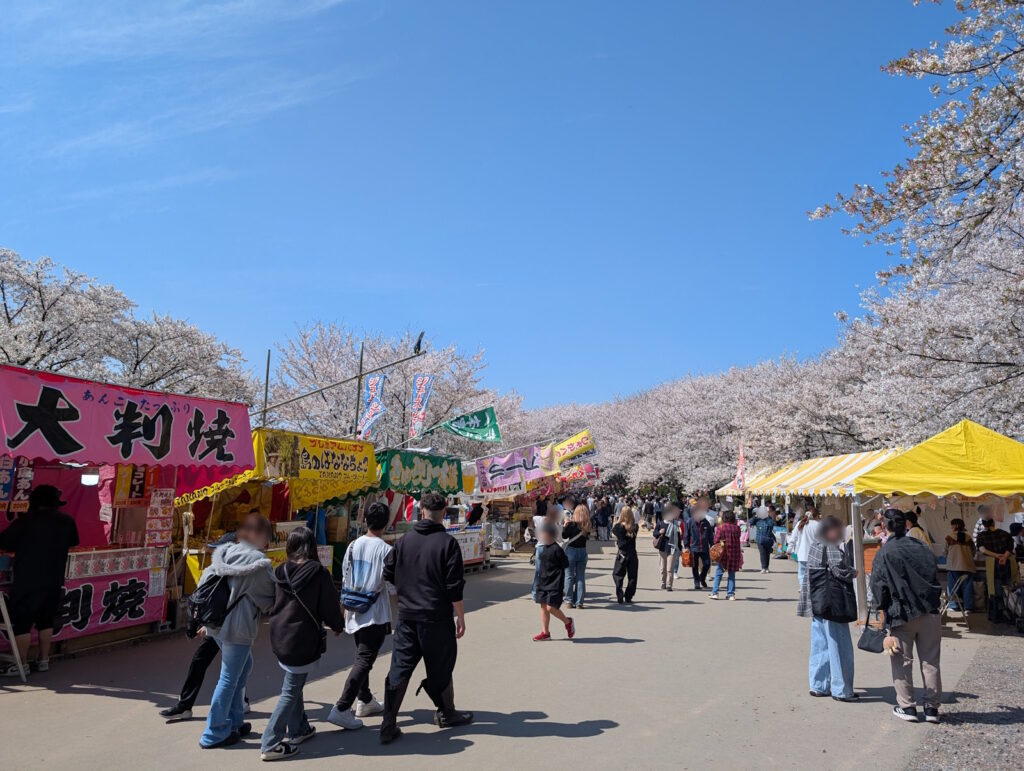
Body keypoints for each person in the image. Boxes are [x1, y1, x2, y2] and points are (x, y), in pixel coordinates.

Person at [378, 492, 472, 745]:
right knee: (441, 666)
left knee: (399, 669)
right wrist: (460, 616)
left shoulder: (404, 541)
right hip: (436, 618)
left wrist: (403, 596)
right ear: (444, 511)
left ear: (421, 509)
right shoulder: (447, 543)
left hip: (407, 618)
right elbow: (455, 586)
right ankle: (446, 712)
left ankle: (388, 722)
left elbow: (388, 572)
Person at [261, 527, 345, 760]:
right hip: (302, 639)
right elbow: (329, 606)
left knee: (293, 682)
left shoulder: (281, 571)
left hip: (280, 635)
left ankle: (299, 729)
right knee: (291, 689)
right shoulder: (317, 573)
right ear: (311, 546)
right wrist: (338, 626)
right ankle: (270, 742)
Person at [159, 526, 254, 722]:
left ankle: (222, 719)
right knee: (226, 664)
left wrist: (204, 624)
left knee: (234, 669)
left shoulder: (239, 571)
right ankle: (189, 706)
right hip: (222, 627)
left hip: (229, 628)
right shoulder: (228, 570)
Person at [198, 514, 276, 749]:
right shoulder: (259, 563)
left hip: (217, 623)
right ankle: (214, 731)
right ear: (260, 535)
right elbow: (269, 599)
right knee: (229, 677)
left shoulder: (223, 553)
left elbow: (203, 583)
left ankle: (233, 722)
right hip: (238, 627)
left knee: (243, 667)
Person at [870, 509, 943, 724]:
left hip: (901, 612)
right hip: (928, 609)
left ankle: (908, 706)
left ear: (886, 526)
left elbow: (878, 585)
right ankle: (931, 708)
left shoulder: (885, 552)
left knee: (902, 661)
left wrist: (881, 609)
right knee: (931, 661)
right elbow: (933, 574)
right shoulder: (921, 546)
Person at [0, 485, 79, 677]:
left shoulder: (25, 522)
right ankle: (44, 659)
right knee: (46, 621)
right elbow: (74, 543)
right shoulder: (67, 521)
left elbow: (3, 543)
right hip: (54, 580)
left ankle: (22, 663)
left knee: (22, 623)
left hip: (27, 581)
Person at [328, 501, 394, 730]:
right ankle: (342, 707)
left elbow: (345, 577)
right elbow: (392, 586)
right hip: (374, 613)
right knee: (364, 660)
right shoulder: (386, 550)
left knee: (361, 657)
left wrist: (343, 608)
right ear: (386, 523)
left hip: (354, 611)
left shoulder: (353, 546)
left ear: (366, 520)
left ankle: (364, 700)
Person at [797, 515, 858, 702]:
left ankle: (818, 684)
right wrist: (854, 572)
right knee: (838, 643)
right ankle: (842, 689)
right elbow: (838, 567)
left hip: (817, 599)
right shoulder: (831, 543)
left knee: (820, 643)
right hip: (832, 600)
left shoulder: (816, 542)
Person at [532, 524, 575, 641]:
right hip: (543, 582)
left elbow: (565, 564)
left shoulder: (557, 549)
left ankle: (568, 622)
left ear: (551, 535)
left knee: (551, 608)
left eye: (544, 534)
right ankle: (545, 633)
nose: (542, 536)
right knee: (543, 607)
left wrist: (559, 576)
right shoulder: (544, 548)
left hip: (555, 583)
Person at [975, 516, 1018, 622]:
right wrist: (1004, 556)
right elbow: (1010, 547)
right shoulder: (1004, 533)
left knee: (995, 590)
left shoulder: (981, 535)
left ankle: (997, 615)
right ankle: (1011, 614)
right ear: (993, 523)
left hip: (993, 565)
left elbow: (982, 549)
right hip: (1007, 564)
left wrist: (996, 555)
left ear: (984, 525)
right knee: (1009, 589)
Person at [943, 519, 975, 613]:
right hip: (968, 566)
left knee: (952, 587)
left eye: (952, 525)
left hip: (953, 566)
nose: (951, 527)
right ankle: (968, 607)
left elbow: (945, 552)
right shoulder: (969, 537)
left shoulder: (949, 537)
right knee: (967, 587)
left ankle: (953, 606)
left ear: (956, 526)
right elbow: (973, 552)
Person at [561, 504, 590, 609]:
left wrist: (565, 525)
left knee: (569, 576)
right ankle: (579, 602)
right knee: (580, 577)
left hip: (571, 551)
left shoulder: (571, 524)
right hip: (582, 551)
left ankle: (569, 600)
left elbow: (564, 536)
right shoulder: (587, 525)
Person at [710, 510, 743, 600]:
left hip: (724, 554)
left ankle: (715, 593)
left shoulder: (721, 528)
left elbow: (716, 540)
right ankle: (731, 594)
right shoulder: (737, 528)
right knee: (731, 574)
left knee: (718, 573)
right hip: (734, 554)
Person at [611, 507, 639, 604]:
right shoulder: (635, 527)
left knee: (617, 574)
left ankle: (619, 591)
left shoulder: (619, 527)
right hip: (632, 553)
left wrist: (619, 520)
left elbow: (613, 530)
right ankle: (628, 595)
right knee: (632, 576)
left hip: (622, 553)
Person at [685, 500, 714, 590]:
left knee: (707, 564)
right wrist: (686, 546)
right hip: (694, 547)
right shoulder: (690, 522)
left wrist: (712, 544)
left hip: (704, 547)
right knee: (695, 566)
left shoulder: (706, 522)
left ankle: (702, 578)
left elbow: (710, 535)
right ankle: (696, 582)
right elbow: (686, 535)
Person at [653, 504, 682, 591]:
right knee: (663, 568)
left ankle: (669, 585)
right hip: (662, 548)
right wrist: (659, 532)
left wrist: (680, 548)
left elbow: (678, 537)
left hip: (672, 548)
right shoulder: (660, 523)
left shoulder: (675, 524)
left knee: (670, 569)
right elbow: (654, 533)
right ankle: (663, 582)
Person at [752, 503, 775, 573]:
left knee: (767, 553)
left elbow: (771, 525)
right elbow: (750, 522)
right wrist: (755, 517)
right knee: (762, 553)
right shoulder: (757, 519)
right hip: (759, 539)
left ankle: (767, 567)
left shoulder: (769, 519)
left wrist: (767, 517)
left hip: (768, 538)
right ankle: (763, 567)